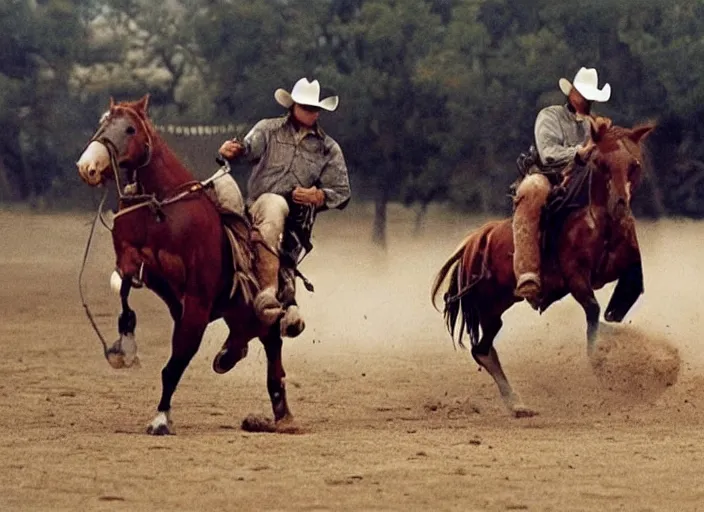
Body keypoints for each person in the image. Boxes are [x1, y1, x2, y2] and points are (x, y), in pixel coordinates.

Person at [218, 77, 351, 335]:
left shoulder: (328, 148)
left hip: (294, 219)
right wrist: (230, 151)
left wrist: (319, 196)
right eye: (306, 107)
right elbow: (246, 149)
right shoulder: (267, 130)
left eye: (315, 109)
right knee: (220, 192)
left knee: (275, 203)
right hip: (254, 206)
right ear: (293, 106)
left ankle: (269, 292)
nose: (311, 113)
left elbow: (343, 193)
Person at [512, 67, 611, 306]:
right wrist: (581, 152)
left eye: (591, 97)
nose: (588, 101)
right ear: (573, 94)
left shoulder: (592, 124)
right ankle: (528, 273)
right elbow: (548, 154)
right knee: (532, 190)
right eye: (585, 95)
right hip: (549, 176)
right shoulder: (550, 116)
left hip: (581, 179)